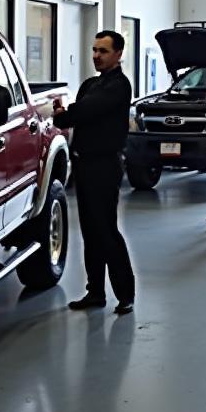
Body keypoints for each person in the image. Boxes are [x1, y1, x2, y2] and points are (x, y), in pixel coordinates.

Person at [52, 30, 135, 316]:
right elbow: (81, 109)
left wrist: (65, 114)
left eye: (103, 51)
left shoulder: (120, 86)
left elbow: (86, 111)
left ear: (118, 54)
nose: (96, 56)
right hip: (85, 164)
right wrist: (68, 113)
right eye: (94, 50)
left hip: (105, 165)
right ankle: (95, 291)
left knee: (106, 229)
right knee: (89, 229)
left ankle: (125, 294)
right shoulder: (90, 84)